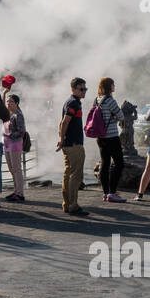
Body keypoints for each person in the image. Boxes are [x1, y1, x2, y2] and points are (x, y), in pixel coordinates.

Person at [57, 78, 90, 217]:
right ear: (73, 89)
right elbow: (65, 122)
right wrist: (61, 139)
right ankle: (73, 205)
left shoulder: (71, 102)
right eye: (81, 89)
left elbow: (62, 123)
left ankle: (67, 204)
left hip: (68, 143)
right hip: (74, 144)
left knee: (68, 174)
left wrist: (61, 140)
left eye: (85, 89)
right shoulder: (73, 103)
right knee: (76, 175)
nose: (84, 91)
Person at [93, 77, 126, 203]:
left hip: (100, 137)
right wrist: (115, 118)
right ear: (109, 86)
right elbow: (121, 116)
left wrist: (111, 116)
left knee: (105, 164)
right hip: (111, 137)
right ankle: (112, 193)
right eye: (113, 84)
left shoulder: (97, 100)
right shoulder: (110, 100)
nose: (114, 86)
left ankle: (106, 193)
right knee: (119, 163)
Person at [4, 94, 27, 202]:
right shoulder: (9, 114)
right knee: (11, 169)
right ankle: (16, 191)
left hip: (15, 143)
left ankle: (20, 193)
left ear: (17, 103)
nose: (9, 103)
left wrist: (8, 135)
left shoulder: (19, 115)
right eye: (8, 101)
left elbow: (22, 131)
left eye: (11, 102)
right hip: (7, 143)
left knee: (17, 169)